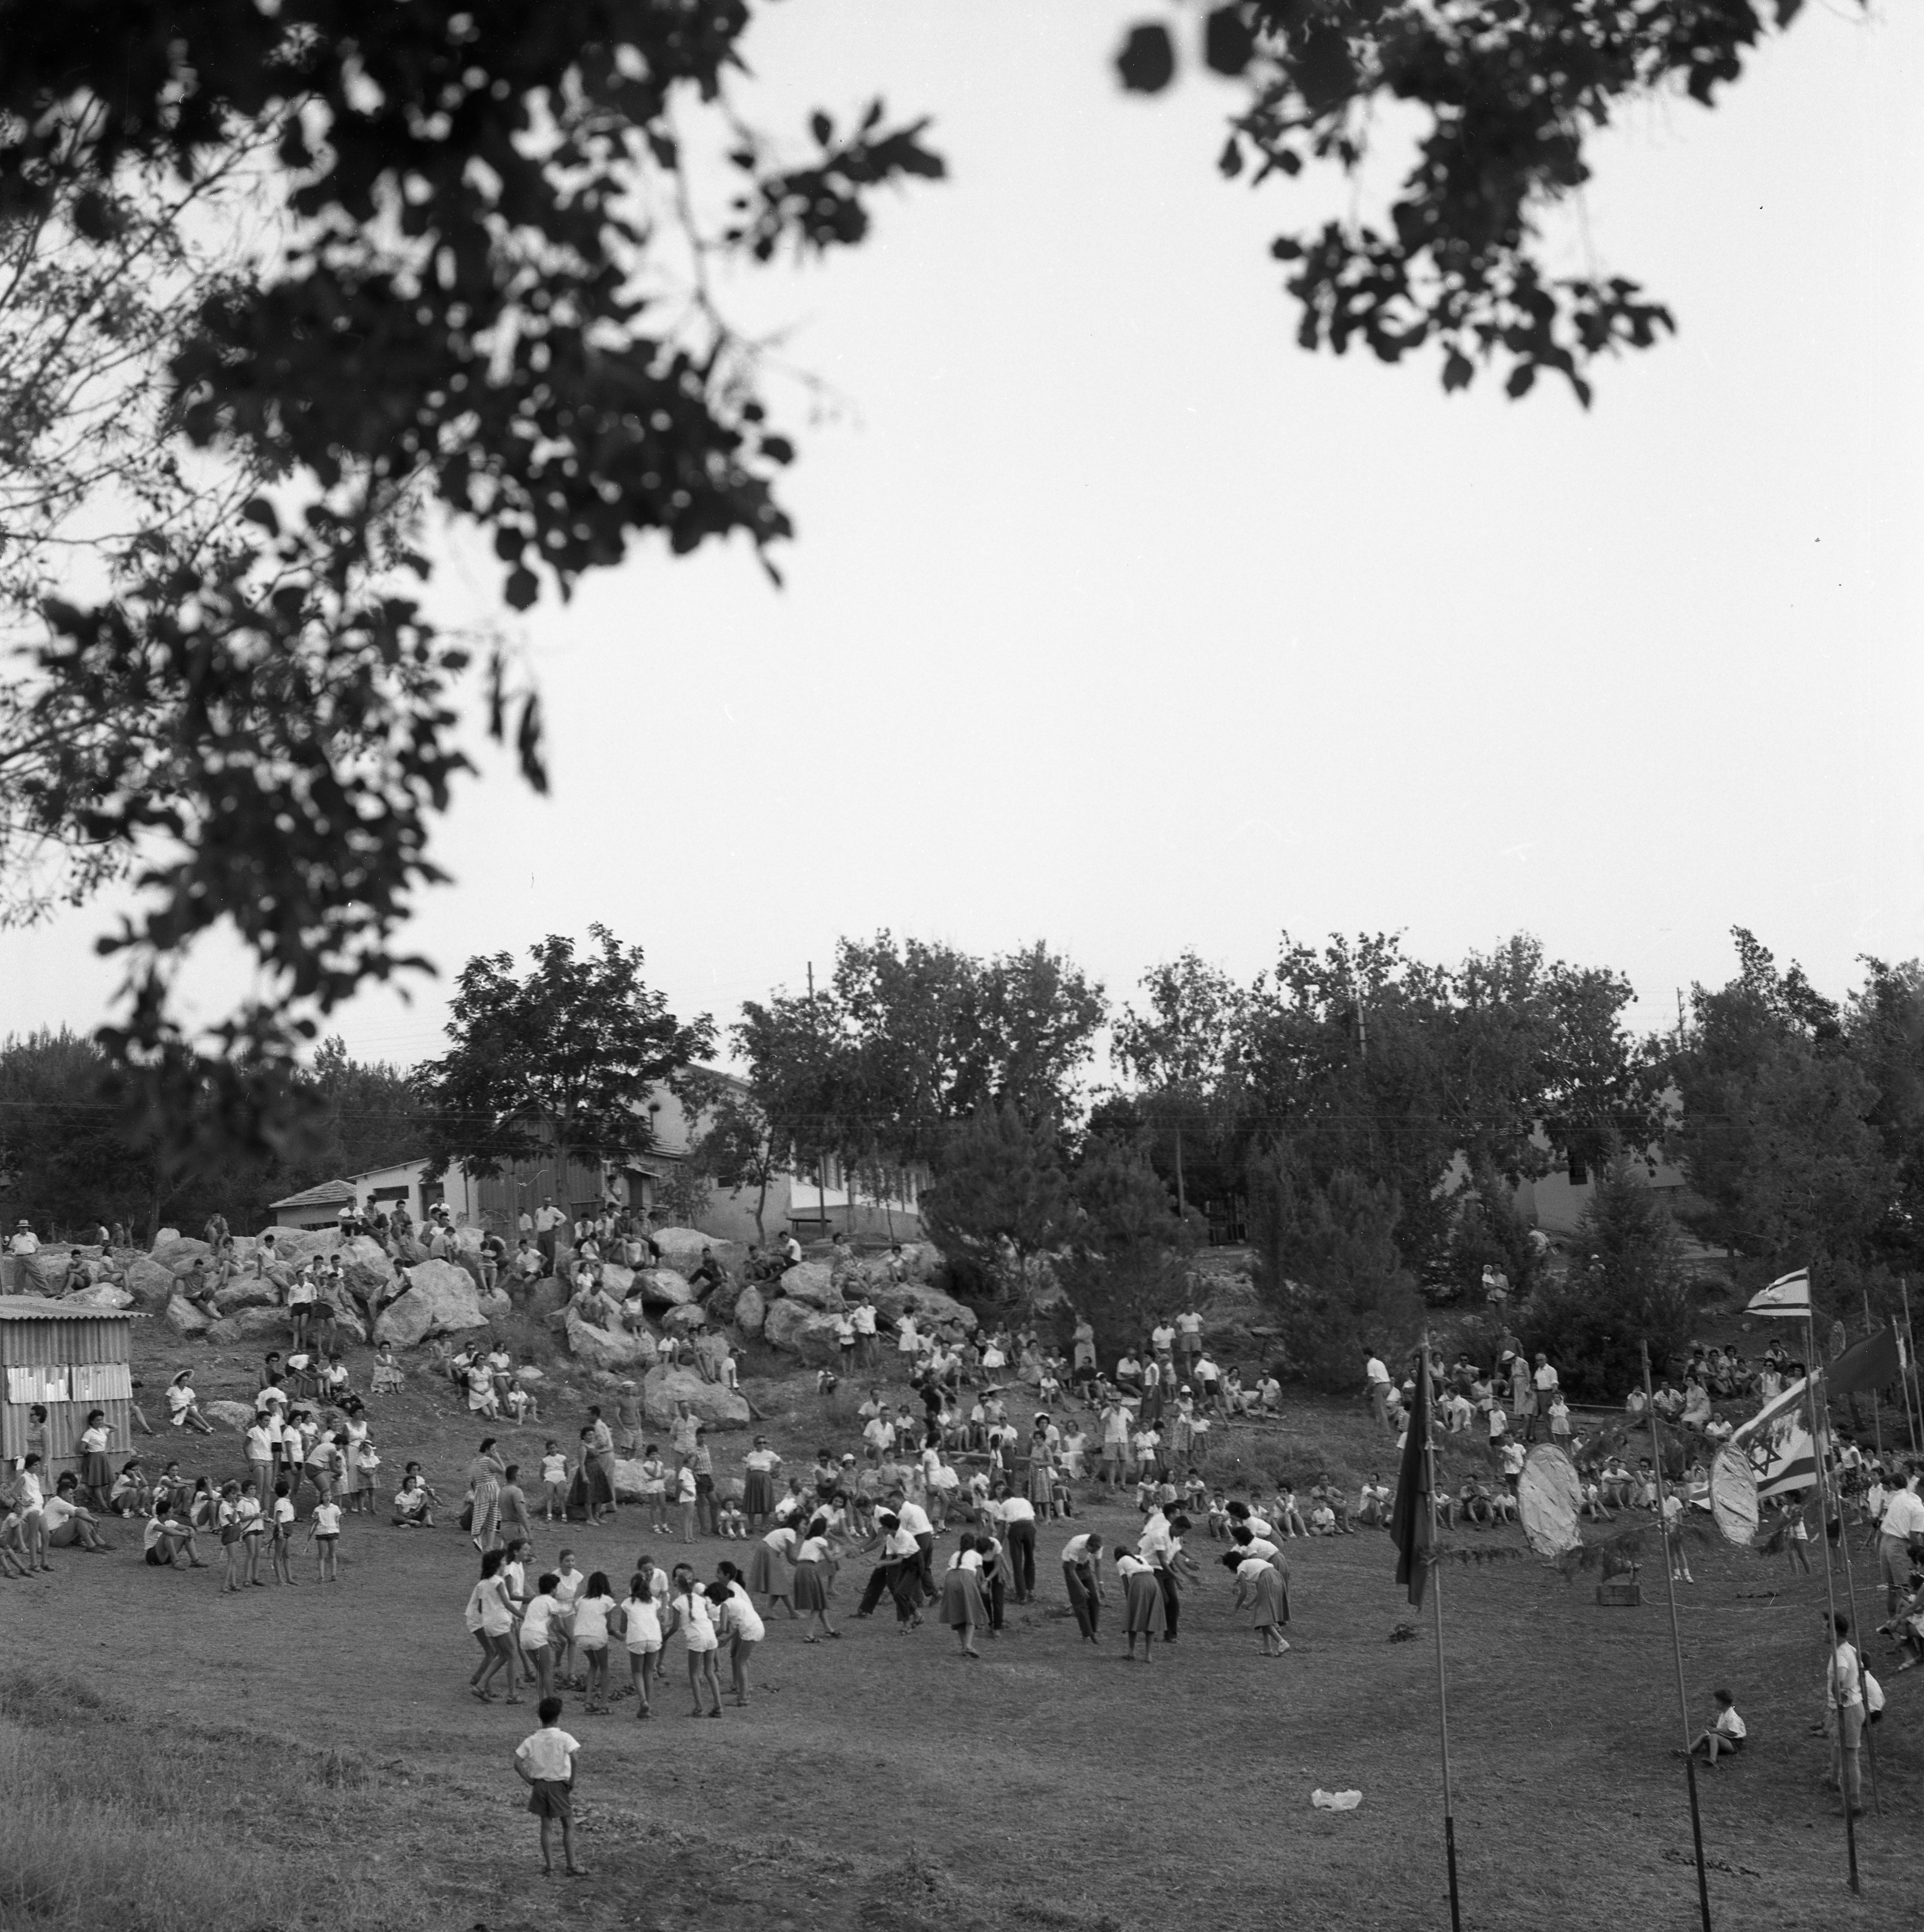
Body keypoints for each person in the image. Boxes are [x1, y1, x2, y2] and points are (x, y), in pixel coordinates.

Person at [514, 1695, 584, 1876]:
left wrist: (529, 1780)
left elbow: (517, 1762)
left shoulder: (532, 1739)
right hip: (558, 1786)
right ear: (558, 1717)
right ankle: (572, 1865)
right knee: (568, 1824)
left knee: (546, 1826)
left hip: (540, 1786)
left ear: (540, 1717)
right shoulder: (564, 1737)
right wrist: (573, 1781)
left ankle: (550, 1867)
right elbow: (575, 1757)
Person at [664, 1562, 725, 1718]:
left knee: (694, 1674)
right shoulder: (702, 1600)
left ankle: (699, 1707)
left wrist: (665, 1638)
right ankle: (718, 1706)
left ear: (678, 1586)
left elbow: (675, 1627)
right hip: (710, 1636)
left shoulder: (678, 1603)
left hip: (696, 1639)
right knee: (709, 1672)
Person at [1824, 1611, 1865, 1818]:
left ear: (1834, 1632)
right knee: (1846, 1753)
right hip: (1850, 1708)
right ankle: (1837, 1781)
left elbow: (1838, 1680)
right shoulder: (1849, 1649)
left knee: (1851, 1758)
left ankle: (1854, 1804)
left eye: (1826, 1628)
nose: (1823, 1632)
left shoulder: (1841, 1654)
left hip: (1848, 1710)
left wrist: (1835, 1695)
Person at [712, 1564, 765, 1705]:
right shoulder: (732, 1598)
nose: (712, 1603)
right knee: (740, 1658)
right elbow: (737, 1624)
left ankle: (744, 1697)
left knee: (740, 1661)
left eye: (712, 1599)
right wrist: (727, 1639)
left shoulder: (727, 1601)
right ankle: (742, 1690)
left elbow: (723, 1628)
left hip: (750, 1629)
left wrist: (711, 1637)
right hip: (755, 1626)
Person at [1875, 1470, 1924, 1614]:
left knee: (1893, 1589)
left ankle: (1893, 1624)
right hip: (1898, 1546)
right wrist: (1919, 1558)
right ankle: (1904, 1629)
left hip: (1886, 1542)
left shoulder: (1901, 1497)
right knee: (1907, 1590)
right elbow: (1914, 1537)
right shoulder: (1919, 1508)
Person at [940, 1533, 988, 1659]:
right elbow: (979, 1578)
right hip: (966, 1578)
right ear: (974, 1545)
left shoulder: (954, 1555)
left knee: (958, 1616)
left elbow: (948, 1570)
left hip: (950, 1580)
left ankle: (964, 1647)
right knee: (972, 1613)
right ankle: (968, 1646)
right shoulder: (977, 1556)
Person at [1684, 1689, 1746, 1767]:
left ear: (1720, 1704)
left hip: (1735, 1744)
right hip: (1727, 1740)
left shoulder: (1732, 1716)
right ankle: (1687, 1752)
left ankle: (1713, 1759)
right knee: (1705, 1736)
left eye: (1715, 1701)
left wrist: (1717, 1730)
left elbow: (1733, 1733)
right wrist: (1714, 1725)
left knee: (1714, 1736)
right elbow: (1726, 1727)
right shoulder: (1724, 1714)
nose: (1713, 1703)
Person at [1062, 1529, 1105, 1642]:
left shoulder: (1098, 1547)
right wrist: (1081, 1588)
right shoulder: (1077, 1545)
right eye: (1092, 1550)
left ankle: (1093, 1630)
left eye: (1095, 1551)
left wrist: (1101, 1586)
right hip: (1071, 1568)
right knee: (1080, 1602)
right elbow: (1072, 1570)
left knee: (1094, 1599)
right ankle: (1087, 1634)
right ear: (1087, 1545)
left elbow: (1098, 1567)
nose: (1093, 1553)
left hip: (1085, 1567)